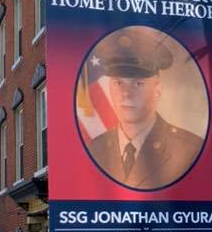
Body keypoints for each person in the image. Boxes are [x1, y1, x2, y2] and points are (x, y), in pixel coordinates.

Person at [85, 31, 204, 189]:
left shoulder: (189, 149)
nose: (126, 94)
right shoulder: (95, 149)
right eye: (118, 83)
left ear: (157, 91)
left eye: (138, 84)